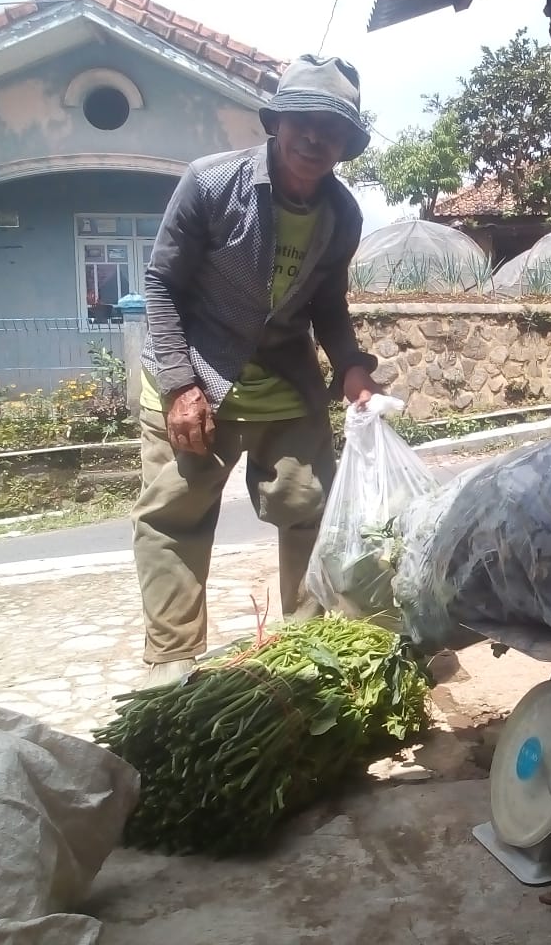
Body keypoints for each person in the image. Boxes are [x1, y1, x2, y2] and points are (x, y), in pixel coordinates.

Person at [132, 55, 380, 687]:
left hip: (283, 382)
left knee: (310, 507)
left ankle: (308, 650)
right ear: (276, 123)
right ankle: (172, 661)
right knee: (175, 517)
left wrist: (351, 367)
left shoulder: (342, 215)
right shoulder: (212, 183)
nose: (314, 138)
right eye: (302, 121)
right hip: (194, 375)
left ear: (346, 143)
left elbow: (328, 304)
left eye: (332, 128)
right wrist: (179, 387)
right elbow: (161, 285)